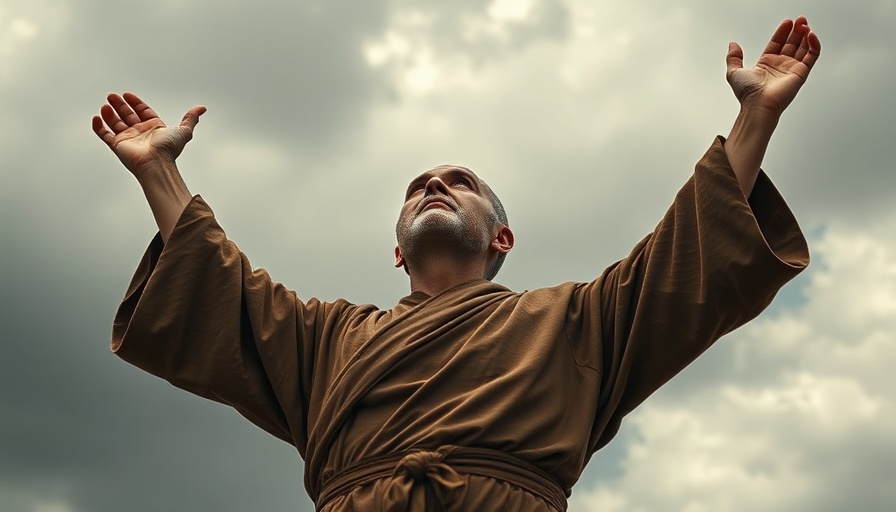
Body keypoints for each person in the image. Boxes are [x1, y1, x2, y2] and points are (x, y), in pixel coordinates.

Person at [92, 17, 821, 512]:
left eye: (459, 181)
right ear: (397, 250)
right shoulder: (325, 340)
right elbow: (225, 295)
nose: (434, 185)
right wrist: (158, 173)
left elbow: (682, 261)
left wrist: (756, 117)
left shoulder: (574, 322)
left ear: (502, 240)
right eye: (418, 187)